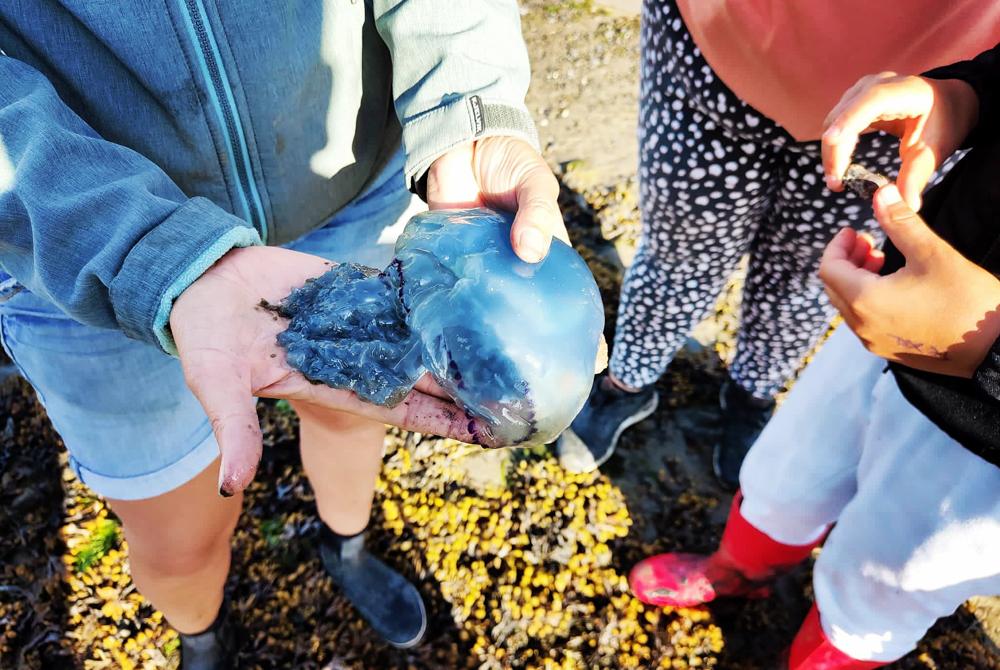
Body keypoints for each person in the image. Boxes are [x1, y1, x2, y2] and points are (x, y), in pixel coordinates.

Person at [0, 3, 565, 666]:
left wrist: (469, 101)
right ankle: (199, 634)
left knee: (359, 413)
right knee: (178, 538)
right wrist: (139, 250)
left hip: (344, 178)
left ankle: (347, 542)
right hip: (78, 240)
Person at [627, 47, 1000, 668]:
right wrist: (966, 95)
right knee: (789, 467)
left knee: (886, 580)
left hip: (986, 455)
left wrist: (987, 349)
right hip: (915, 291)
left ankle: (820, 656)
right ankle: (738, 569)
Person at [557, 0, 1000, 489]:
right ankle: (628, 380)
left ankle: (752, 392)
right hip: (712, 47)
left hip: (915, 104)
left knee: (813, 280)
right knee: (680, 252)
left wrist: (967, 93)